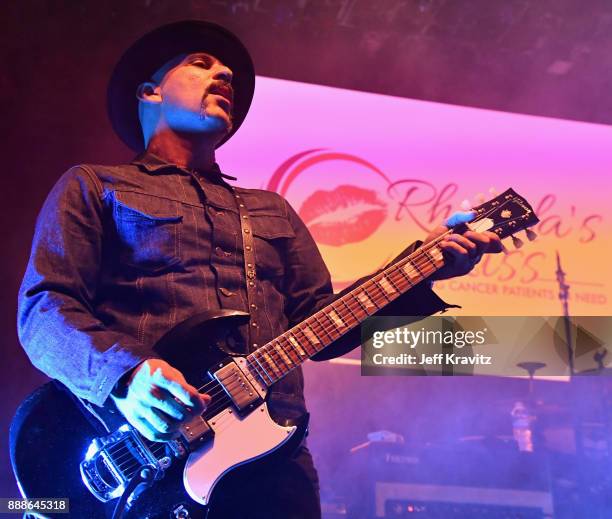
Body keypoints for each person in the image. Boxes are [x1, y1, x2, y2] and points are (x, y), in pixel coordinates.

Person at [17, 20, 502, 519]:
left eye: (225, 69)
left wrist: (426, 269)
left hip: (274, 461)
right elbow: (43, 308)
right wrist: (125, 377)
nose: (224, 72)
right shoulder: (96, 186)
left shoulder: (270, 210)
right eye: (201, 64)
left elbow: (325, 324)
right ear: (150, 91)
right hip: (143, 462)